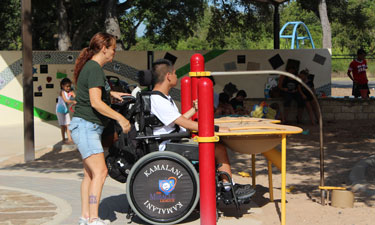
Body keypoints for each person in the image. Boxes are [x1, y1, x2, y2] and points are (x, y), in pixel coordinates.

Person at [150, 59, 255, 199]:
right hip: (168, 146)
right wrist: (215, 128)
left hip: (173, 140)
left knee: (215, 145)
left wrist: (194, 109)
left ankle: (225, 184)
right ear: (168, 76)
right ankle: (228, 189)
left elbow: (175, 121)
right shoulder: (158, 100)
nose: (176, 76)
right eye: (175, 73)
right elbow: (184, 123)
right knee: (218, 148)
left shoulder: (163, 98)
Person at [69, 32, 131, 225]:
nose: (114, 52)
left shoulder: (92, 68)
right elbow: (95, 103)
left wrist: (112, 94)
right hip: (87, 127)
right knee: (101, 172)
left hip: (85, 127)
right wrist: (121, 118)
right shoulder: (94, 68)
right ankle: (94, 218)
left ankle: (85, 217)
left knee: (90, 174)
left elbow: (95, 94)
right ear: (104, 48)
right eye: (113, 48)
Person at [56, 78, 76, 144]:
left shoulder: (70, 92)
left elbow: (76, 97)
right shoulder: (62, 92)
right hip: (60, 110)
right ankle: (63, 138)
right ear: (62, 86)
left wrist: (73, 94)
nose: (68, 88)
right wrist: (72, 101)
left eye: (69, 86)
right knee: (63, 125)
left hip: (66, 110)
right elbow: (66, 100)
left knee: (68, 125)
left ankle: (70, 139)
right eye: (67, 86)